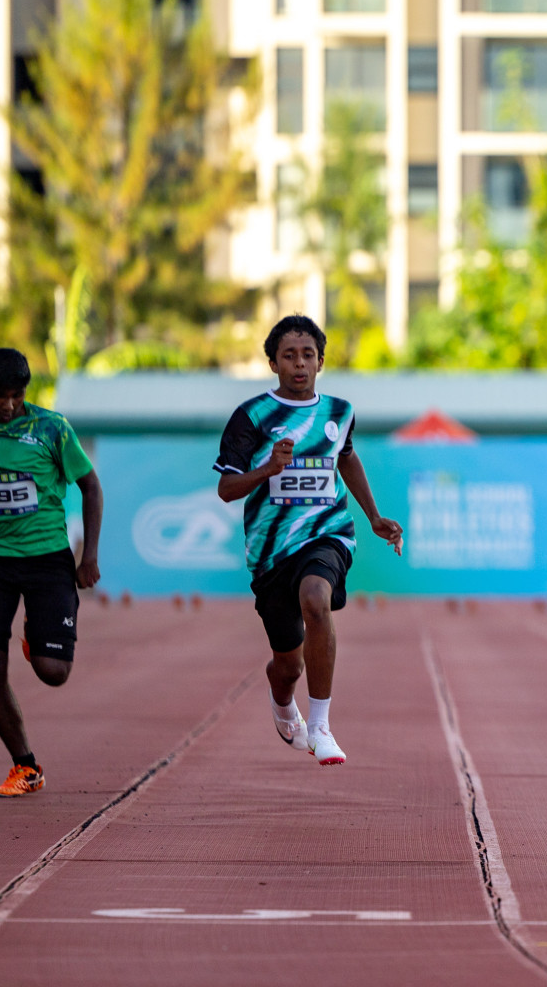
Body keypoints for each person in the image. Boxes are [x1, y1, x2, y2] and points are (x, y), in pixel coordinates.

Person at [214, 316, 404, 766]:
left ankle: (321, 727)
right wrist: (266, 470)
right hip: (271, 550)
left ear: (320, 361)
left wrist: (373, 516)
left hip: (328, 532)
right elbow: (226, 489)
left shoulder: (340, 412)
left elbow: (348, 458)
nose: (299, 364)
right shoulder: (252, 416)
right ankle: (283, 703)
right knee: (287, 666)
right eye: (288, 356)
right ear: (273, 363)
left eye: (307, 355)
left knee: (316, 599)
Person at [0, 347, 104, 797]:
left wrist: (89, 558)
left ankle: (36, 631)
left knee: (53, 671)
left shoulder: (50, 427)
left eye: (16, 395)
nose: (8, 405)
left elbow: (90, 486)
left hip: (46, 557)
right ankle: (25, 767)